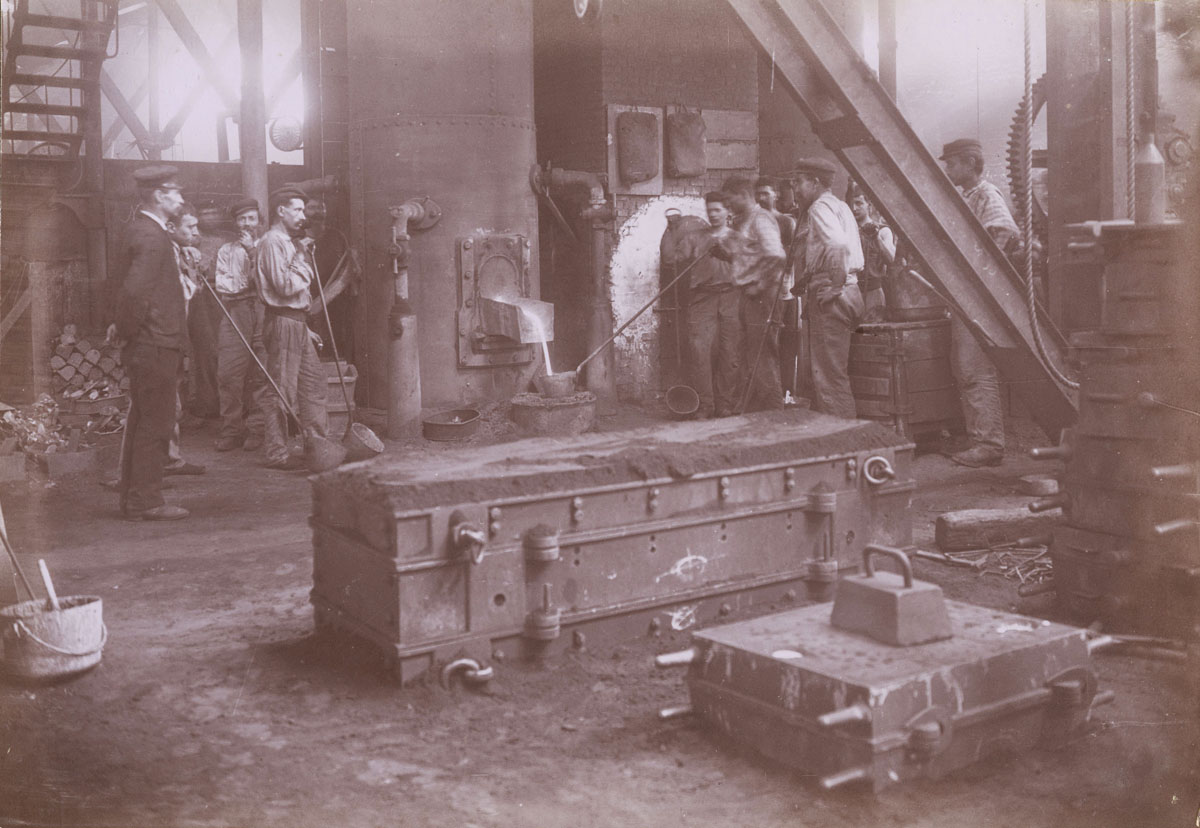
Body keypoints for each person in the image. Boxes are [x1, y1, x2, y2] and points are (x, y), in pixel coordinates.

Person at [109, 165, 189, 520]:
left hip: (149, 342)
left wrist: (122, 328)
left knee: (144, 421)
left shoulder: (138, 230)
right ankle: (147, 501)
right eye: (176, 192)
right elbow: (134, 292)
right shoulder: (153, 237)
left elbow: (125, 290)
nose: (181, 198)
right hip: (155, 342)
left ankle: (134, 497)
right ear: (159, 195)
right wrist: (126, 330)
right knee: (156, 422)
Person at [938, 138, 1012, 467]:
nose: (948, 169)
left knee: (976, 369)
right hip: (964, 295)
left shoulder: (986, 194)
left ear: (970, 163)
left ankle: (990, 444)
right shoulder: (965, 196)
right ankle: (978, 437)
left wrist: (977, 277)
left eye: (952, 163)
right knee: (964, 367)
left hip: (977, 296)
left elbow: (1004, 231)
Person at [256, 186, 329, 470]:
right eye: (297, 210)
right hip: (283, 320)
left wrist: (304, 327)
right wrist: (301, 257)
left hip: (297, 323)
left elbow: (296, 296)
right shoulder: (272, 241)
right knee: (281, 390)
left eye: (303, 210)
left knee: (314, 386)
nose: (302, 216)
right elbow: (284, 287)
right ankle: (277, 453)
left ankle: (319, 448)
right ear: (280, 211)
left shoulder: (290, 241)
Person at [791, 157, 865, 421]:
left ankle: (843, 440)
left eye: (798, 182)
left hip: (833, 295)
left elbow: (838, 245)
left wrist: (834, 285)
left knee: (829, 377)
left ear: (815, 182)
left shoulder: (819, 208)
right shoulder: (840, 206)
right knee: (832, 373)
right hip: (848, 291)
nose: (795, 189)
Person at [672, 192, 741, 418]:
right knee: (699, 353)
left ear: (728, 211)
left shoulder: (739, 238)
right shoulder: (695, 238)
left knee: (730, 355)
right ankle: (705, 405)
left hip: (732, 297)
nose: (713, 214)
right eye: (710, 210)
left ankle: (725, 405)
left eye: (718, 210)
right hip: (702, 298)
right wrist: (672, 232)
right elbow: (670, 259)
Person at [722, 175, 787, 412]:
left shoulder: (760, 219)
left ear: (743, 195)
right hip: (748, 296)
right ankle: (756, 414)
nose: (728, 205)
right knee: (751, 358)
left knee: (762, 359)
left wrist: (759, 285)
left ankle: (775, 416)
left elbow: (777, 255)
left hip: (761, 297)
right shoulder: (744, 220)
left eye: (731, 200)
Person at [214, 198, 267, 452]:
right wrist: (247, 285)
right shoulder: (226, 251)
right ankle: (231, 430)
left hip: (263, 311)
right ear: (235, 223)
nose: (247, 224)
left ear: (260, 221)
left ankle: (257, 429)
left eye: (251, 218)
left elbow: (268, 282)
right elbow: (224, 286)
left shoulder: (269, 247)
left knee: (261, 373)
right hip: (234, 312)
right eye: (242, 219)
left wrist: (251, 254)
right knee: (228, 374)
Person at [164, 204, 207, 477]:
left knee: (172, 398)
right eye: (190, 227)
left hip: (176, 336)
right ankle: (161, 463)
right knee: (165, 401)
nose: (196, 232)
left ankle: (169, 458)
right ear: (171, 228)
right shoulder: (164, 253)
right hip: (163, 336)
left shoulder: (178, 252)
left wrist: (189, 264)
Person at [756, 177, 801, 393]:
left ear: (776, 195)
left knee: (785, 343)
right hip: (760, 294)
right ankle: (768, 393)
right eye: (758, 193)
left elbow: (792, 256)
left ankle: (786, 392)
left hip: (784, 292)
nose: (761, 197)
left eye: (766, 193)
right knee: (764, 345)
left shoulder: (785, 222)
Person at [847, 182, 895, 323]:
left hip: (873, 293)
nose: (854, 208)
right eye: (851, 204)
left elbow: (890, 260)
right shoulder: (846, 231)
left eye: (859, 203)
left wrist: (876, 238)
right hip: (851, 290)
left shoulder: (883, 231)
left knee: (874, 335)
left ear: (869, 204)